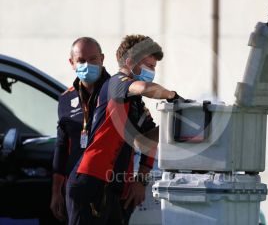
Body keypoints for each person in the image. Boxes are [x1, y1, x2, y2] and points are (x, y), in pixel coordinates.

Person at [66, 34, 184, 225]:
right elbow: (145, 86)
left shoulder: (135, 103)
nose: (153, 71)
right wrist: (173, 97)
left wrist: (175, 123)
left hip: (114, 186)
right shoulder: (116, 83)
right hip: (90, 182)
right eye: (150, 66)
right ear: (130, 62)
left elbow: (147, 140)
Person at [50, 37, 111, 222]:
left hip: (111, 185)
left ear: (102, 59)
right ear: (72, 63)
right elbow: (61, 147)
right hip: (77, 188)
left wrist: (139, 181)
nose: (88, 65)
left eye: (93, 59)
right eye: (81, 61)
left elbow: (144, 132)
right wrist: (56, 192)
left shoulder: (118, 91)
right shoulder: (66, 99)